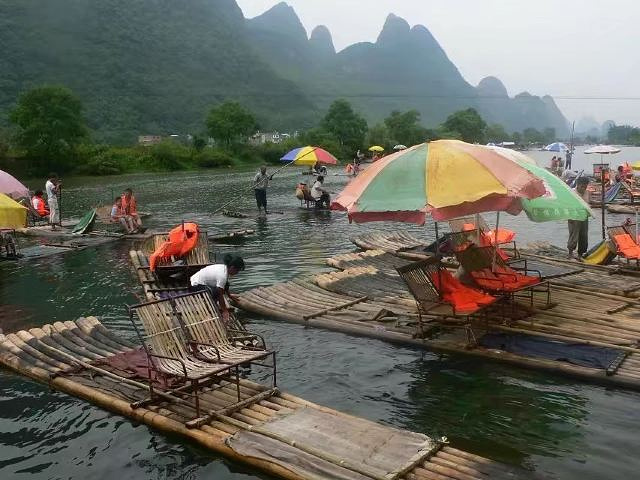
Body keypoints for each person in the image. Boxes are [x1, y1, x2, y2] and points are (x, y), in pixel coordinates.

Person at [190, 255, 245, 323]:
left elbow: (225, 285)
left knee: (225, 285)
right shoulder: (222, 275)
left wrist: (230, 296)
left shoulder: (224, 268)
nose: (237, 273)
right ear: (232, 268)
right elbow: (220, 294)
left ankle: (213, 305)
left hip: (202, 281)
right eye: (237, 271)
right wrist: (225, 310)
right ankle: (209, 311)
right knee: (215, 292)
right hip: (195, 285)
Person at [567, 177, 590, 258]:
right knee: (574, 234)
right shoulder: (572, 192)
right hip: (574, 216)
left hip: (584, 216)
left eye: (585, 186)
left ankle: (581, 254)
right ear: (578, 185)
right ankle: (570, 253)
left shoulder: (587, 192)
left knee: (584, 235)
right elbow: (567, 205)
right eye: (582, 187)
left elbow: (588, 203)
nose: (584, 188)